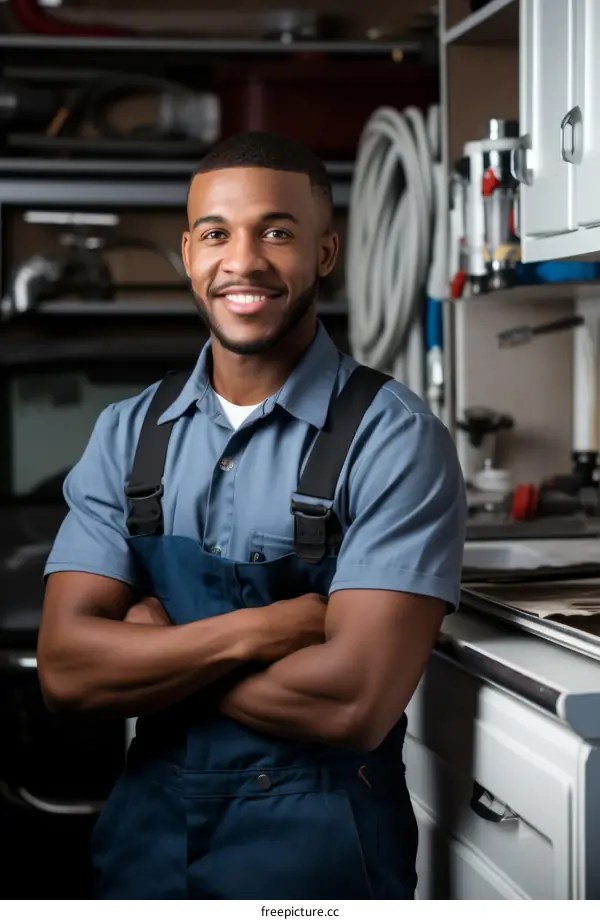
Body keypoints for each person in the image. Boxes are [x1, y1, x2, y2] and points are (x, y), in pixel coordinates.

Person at [38, 131, 467, 900]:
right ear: (189, 251)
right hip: (145, 848)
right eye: (216, 234)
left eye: (276, 231)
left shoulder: (394, 439)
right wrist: (258, 631)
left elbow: (352, 702)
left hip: (319, 855)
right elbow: (68, 674)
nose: (243, 261)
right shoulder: (128, 433)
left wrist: (156, 650)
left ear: (326, 253)